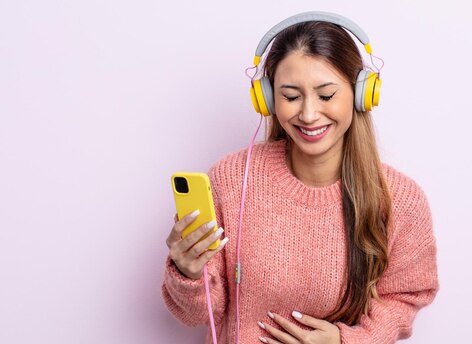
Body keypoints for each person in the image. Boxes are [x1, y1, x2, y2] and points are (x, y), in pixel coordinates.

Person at [162, 12, 439, 344]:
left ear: (361, 94)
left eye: (326, 95)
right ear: (266, 99)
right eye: (291, 97)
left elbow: (404, 299)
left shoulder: (401, 200)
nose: (308, 114)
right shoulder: (232, 180)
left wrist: (343, 341)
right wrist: (189, 273)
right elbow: (197, 315)